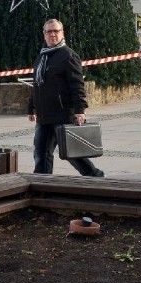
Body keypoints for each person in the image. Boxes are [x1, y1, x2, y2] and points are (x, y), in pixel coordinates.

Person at [28, 19, 105, 177]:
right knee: (41, 154)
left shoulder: (68, 55)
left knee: (73, 153)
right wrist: (31, 107)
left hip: (62, 114)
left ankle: (95, 176)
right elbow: (36, 85)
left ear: (62, 33)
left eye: (56, 31)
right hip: (44, 116)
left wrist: (80, 110)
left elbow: (77, 85)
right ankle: (42, 185)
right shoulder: (41, 57)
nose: (53, 34)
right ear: (44, 35)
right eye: (49, 32)